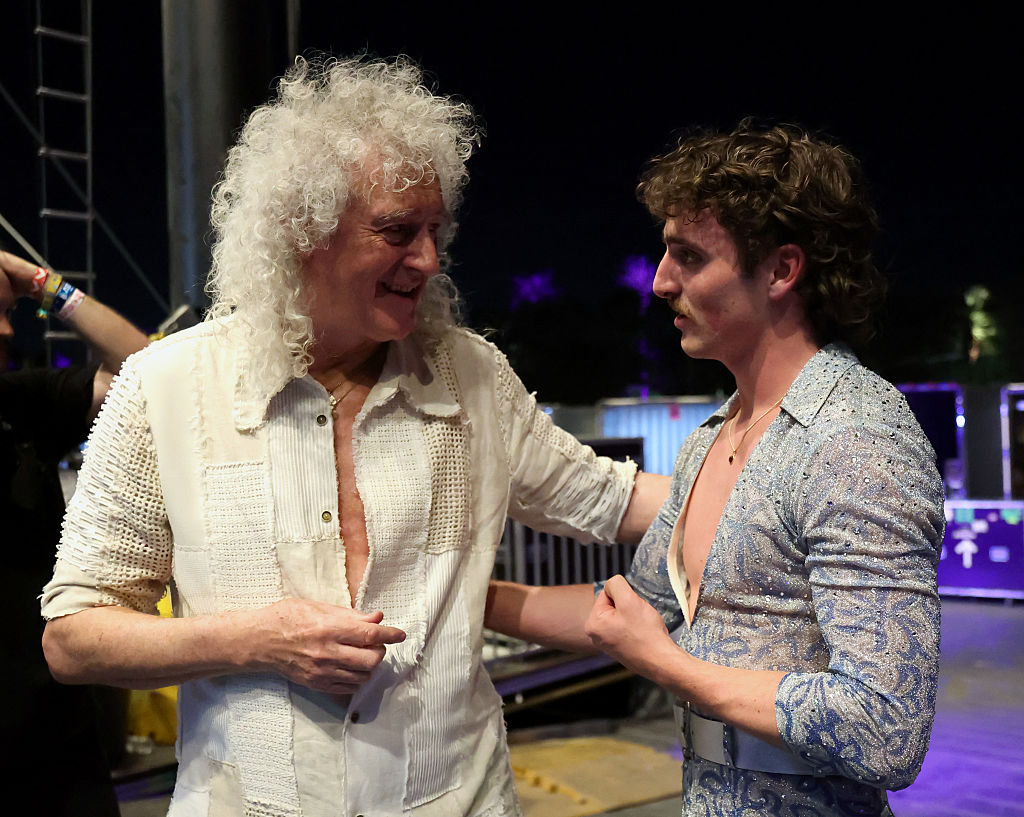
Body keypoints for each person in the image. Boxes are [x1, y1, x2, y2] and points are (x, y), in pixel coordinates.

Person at [40, 57, 667, 817]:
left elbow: (618, 501)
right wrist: (260, 638)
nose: (429, 259)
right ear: (303, 230)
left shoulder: (472, 376)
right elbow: (74, 637)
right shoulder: (165, 386)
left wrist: (773, 464)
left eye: (436, 231)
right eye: (398, 231)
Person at [486, 123, 944, 816]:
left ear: (782, 270)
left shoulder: (855, 440)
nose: (661, 281)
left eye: (690, 257)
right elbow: (628, 615)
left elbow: (886, 727)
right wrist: (462, 595)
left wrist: (668, 665)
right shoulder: (713, 436)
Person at [1, 249, 149, 815]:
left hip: (53, 741)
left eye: (9, 313)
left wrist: (45, 285)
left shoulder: (20, 404)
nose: (9, 330)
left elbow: (141, 368)